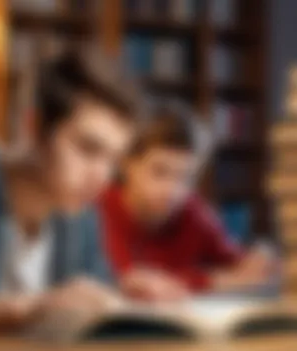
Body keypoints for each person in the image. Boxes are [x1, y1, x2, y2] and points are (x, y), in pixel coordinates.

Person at [0, 47, 138, 337]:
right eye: (87, 149)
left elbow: (95, 297)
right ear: (33, 127)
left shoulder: (80, 208)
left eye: (113, 159)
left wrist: (125, 292)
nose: (102, 177)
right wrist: (26, 309)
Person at [99, 107, 275, 301]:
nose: (172, 191)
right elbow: (122, 280)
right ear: (127, 164)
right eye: (160, 172)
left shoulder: (194, 213)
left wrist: (259, 260)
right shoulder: (99, 209)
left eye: (185, 177)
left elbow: (240, 267)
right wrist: (210, 280)